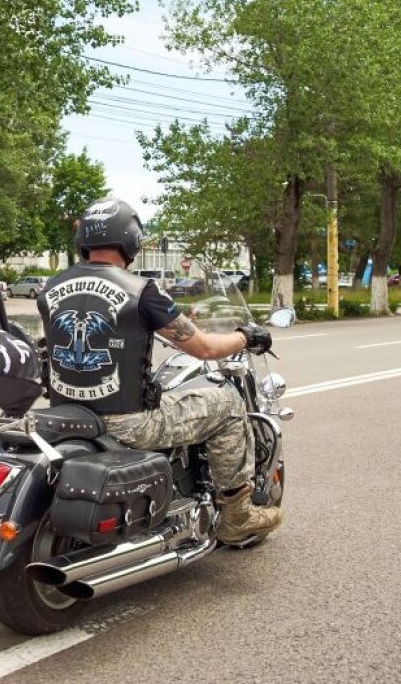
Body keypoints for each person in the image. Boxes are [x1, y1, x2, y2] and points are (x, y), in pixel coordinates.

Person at [38, 198, 282, 543]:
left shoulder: (50, 288)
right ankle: (237, 516)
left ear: (84, 244)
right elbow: (205, 348)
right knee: (227, 403)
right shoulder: (141, 290)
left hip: (68, 415)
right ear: (131, 240)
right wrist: (244, 336)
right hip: (130, 424)